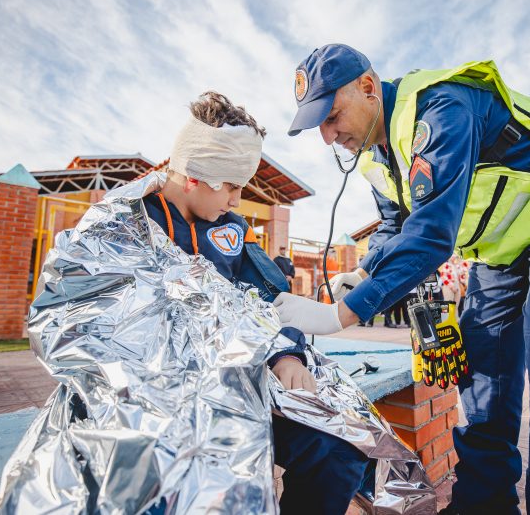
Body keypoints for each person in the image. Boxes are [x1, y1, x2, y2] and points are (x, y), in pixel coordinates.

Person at [274, 44, 530, 513]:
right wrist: (358, 274)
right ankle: (483, 504)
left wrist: (341, 313)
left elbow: (432, 234)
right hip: (504, 246)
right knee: (484, 373)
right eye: (317, 123)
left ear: (368, 87)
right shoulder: (377, 159)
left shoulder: (439, 108)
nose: (327, 135)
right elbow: (394, 228)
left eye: (332, 116)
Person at [143, 91, 368, 513]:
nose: (235, 201)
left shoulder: (231, 228)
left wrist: (286, 355)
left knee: (339, 450)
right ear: (195, 174)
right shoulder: (131, 220)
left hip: (238, 388)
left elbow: (266, 296)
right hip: (159, 404)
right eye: (231, 186)